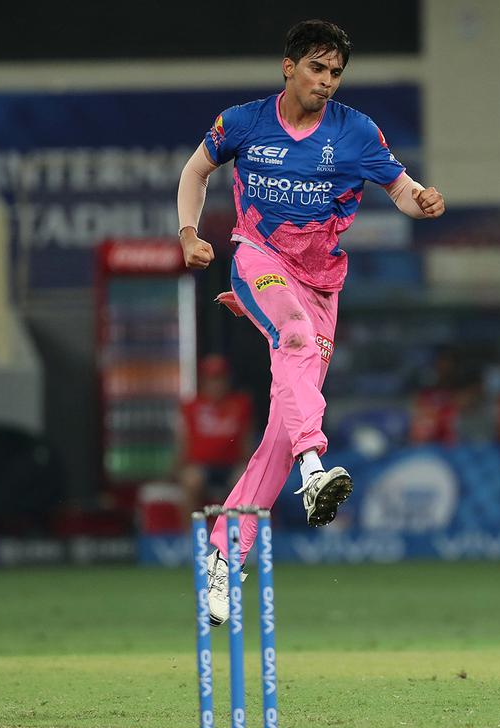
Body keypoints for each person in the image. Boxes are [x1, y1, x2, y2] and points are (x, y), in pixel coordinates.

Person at [176, 19, 444, 625]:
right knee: (293, 340)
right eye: (317, 69)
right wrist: (190, 233)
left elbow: (400, 188)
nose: (326, 82)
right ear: (289, 67)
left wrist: (422, 200)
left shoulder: (355, 132)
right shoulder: (243, 122)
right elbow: (195, 173)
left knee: (281, 426)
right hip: (257, 258)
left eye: (336, 73)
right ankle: (315, 466)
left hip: (322, 284)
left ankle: (222, 554)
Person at [178, 354, 254, 518]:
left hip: (231, 466)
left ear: (227, 381)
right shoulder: (191, 406)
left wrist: (250, 467)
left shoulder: (240, 404)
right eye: (212, 379)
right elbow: (182, 441)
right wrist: (178, 468)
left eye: (219, 379)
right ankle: (189, 536)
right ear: (203, 381)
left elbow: (246, 440)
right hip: (201, 468)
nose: (216, 385)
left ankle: (241, 536)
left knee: (244, 479)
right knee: (191, 480)